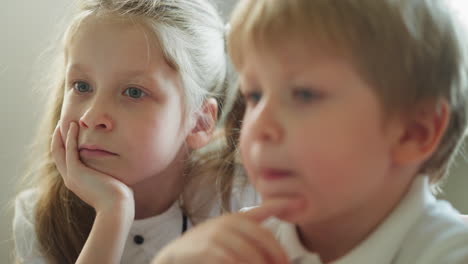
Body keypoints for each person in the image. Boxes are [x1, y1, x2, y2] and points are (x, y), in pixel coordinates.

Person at [152, 0, 468, 263]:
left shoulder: (452, 252)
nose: (259, 126)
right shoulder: (240, 244)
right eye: (254, 96)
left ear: (414, 132)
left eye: (304, 94)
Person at [12, 0, 258, 263]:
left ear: (198, 122)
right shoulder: (39, 218)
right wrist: (112, 214)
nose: (91, 117)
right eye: (82, 86)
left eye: (133, 92)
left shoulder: (241, 199)